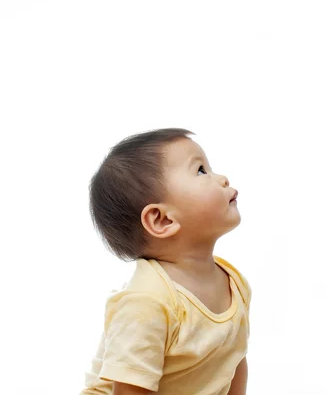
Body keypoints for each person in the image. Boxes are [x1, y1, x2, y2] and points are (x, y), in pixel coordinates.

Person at [80, 128, 251, 395]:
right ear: (163, 220)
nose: (222, 179)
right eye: (201, 171)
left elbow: (234, 358)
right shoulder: (147, 301)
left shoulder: (233, 282)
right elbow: (128, 390)